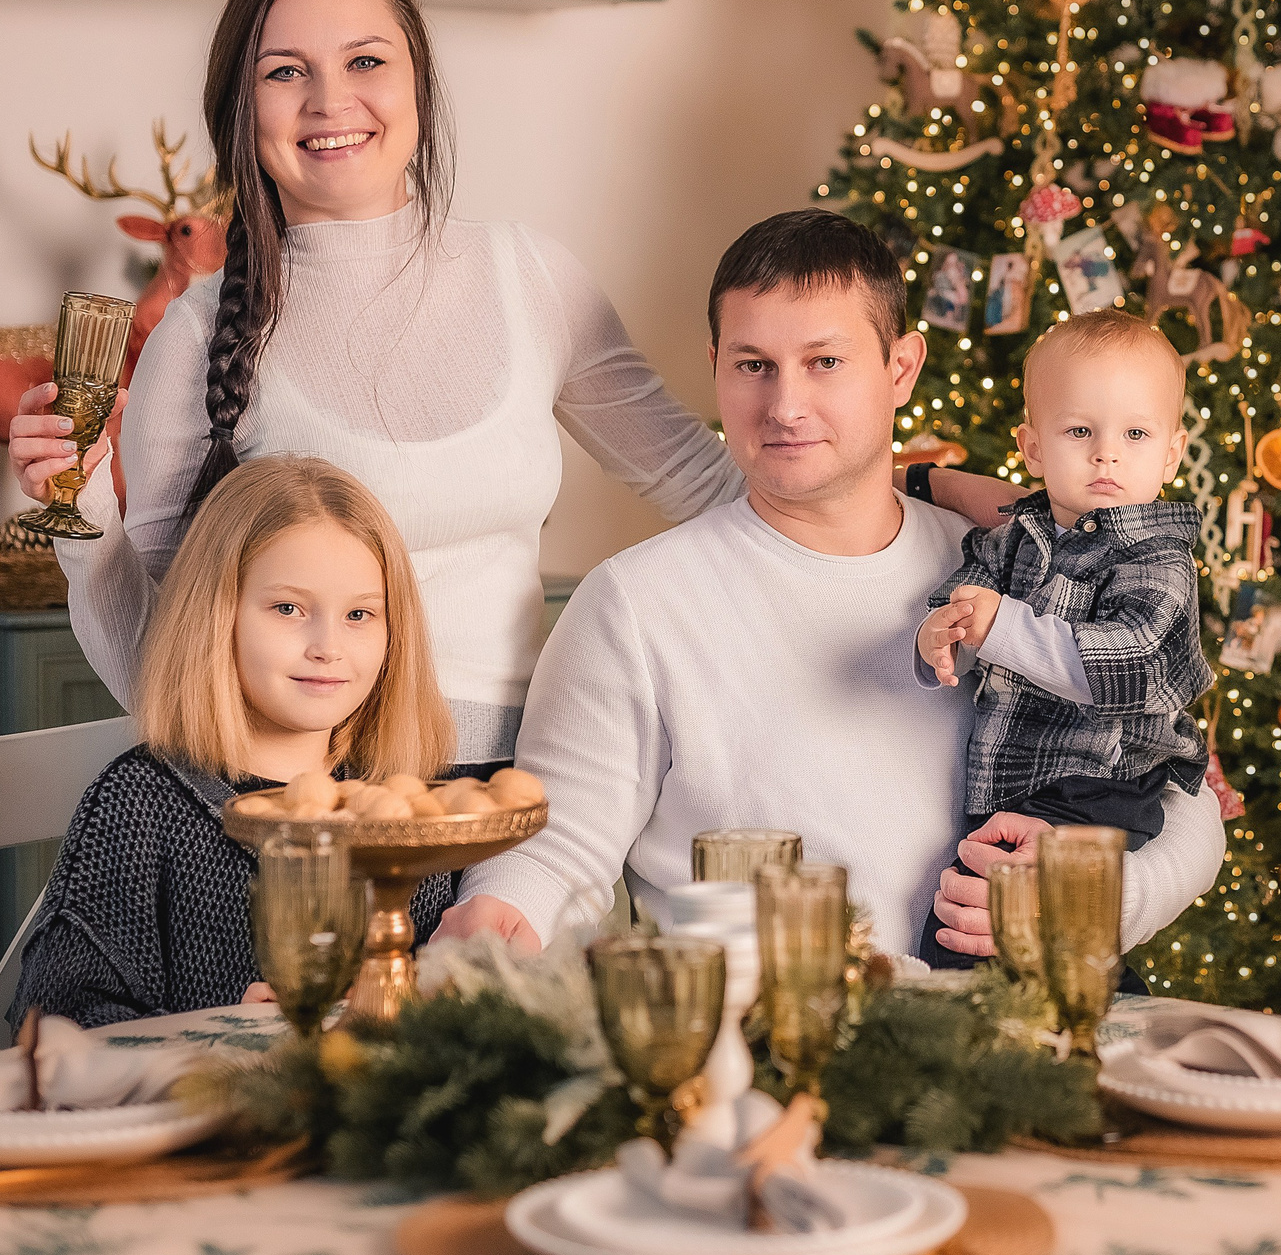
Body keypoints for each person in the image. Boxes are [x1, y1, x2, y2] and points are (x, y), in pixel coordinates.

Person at [7, 0, 1007, 933]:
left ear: (417, 83)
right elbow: (170, 664)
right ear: (242, 106)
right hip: (318, 820)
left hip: (527, 814)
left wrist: (926, 495)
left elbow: (719, 479)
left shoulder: (527, 277)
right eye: (284, 73)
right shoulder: (197, 333)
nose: (329, 100)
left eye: (365, 60)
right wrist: (79, 520)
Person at [439, 211, 1226, 959]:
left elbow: (1179, 784)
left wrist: (1103, 898)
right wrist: (498, 918)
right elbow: (556, 848)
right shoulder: (635, 603)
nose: (785, 406)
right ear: (716, 367)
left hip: (1006, 1022)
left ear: (901, 368)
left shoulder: (1009, 568)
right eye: (753, 365)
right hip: (765, 1029)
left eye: (825, 362)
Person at [13, 456, 451, 1029]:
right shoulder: (135, 805)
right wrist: (216, 1034)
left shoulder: (402, 813)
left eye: (359, 614)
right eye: (288, 608)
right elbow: (55, 1023)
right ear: (216, 617)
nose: (328, 646)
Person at [911, 309, 1212, 969]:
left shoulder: (1158, 559)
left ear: (1171, 453)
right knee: (985, 932)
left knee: (989, 933)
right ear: (1033, 448)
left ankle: (1083, 1019)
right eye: (1080, 430)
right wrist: (940, 635)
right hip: (1012, 784)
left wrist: (1000, 625)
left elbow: (1125, 666)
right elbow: (964, 601)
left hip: (1103, 784)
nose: (1106, 453)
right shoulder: (1016, 537)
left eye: (1135, 433)